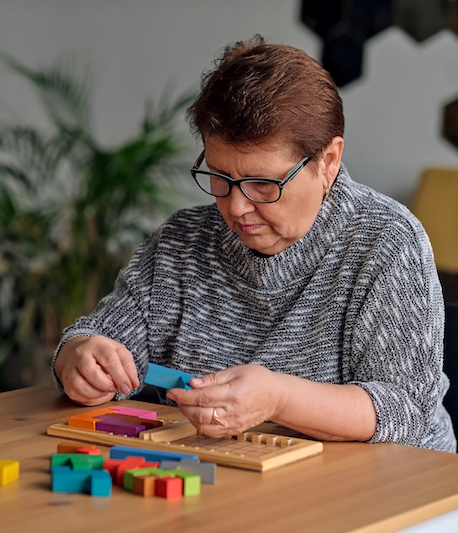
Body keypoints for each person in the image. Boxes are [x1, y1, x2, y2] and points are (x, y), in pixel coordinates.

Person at [51, 35, 456, 452]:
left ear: (328, 161)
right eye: (220, 177)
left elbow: (404, 410)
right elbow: (98, 338)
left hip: (394, 490)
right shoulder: (182, 242)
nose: (237, 207)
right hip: (233, 479)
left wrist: (279, 399)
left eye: (263, 184)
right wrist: (80, 358)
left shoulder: (387, 242)